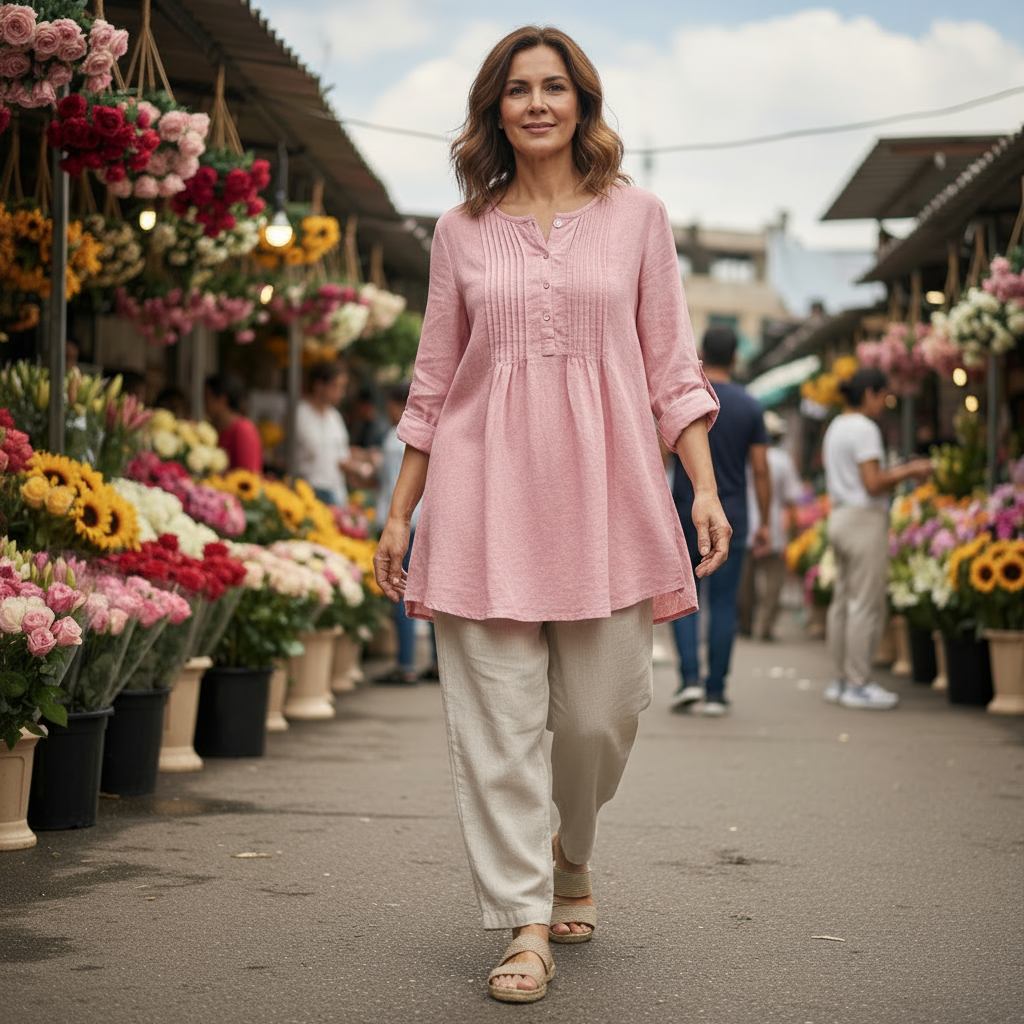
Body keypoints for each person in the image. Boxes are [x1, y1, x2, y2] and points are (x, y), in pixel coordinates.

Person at [371, 26, 731, 1004]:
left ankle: (573, 846)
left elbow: (671, 364)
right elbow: (435, 379)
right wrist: (400, 513)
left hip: (609, 498)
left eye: (553, 86)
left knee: (603, 714)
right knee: (494, 723)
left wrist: (700, 483)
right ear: (494, 109)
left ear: (582, 102)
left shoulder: (639, 216)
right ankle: (523, 921)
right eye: (517, 89)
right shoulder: (460, 231)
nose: (536, 103)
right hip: (481, 497)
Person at [669, 326, 770, 716]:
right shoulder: (749, 405)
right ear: (735, 358)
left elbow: (663, 456)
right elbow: (760, 470)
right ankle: (715, 692)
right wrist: (765, 520)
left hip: (684, 509)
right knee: (725, 603)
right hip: (733, 516)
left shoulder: (687, 401)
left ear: (702, 355)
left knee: (687, 599)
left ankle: (689, 681)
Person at [822, 368, 931, 710]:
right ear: (869, 392)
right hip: (863, 518)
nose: (885, 403)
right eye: (883, 395)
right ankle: (858, 682)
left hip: (839, 516)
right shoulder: (865, 429)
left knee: (843, 602)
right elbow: (873, 483)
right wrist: (910, 470)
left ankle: (842, 679)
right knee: (864, 605)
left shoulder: (837, 425)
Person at [373, 382, 436, 685]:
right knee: (432, 590)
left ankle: (406, 663)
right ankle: (436, 662)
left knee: (400, 588)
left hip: (404, 522)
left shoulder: (399, 435)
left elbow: (388, 484)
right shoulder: (430, 429)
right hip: (426, 518)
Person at [737, 410, 803, 641]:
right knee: (774, 582)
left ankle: (745, 623)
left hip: (745, 525)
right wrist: (793, 533)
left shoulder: (744, 457)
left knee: (745, 581)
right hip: (772, 527)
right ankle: (764, 626)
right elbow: (792, 499)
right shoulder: (783, 460)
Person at [294, 361, 358, 507]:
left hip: (335, 492)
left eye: (342, 388)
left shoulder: (334, 417)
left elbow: (342, 456)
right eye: (336, 386)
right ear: (319, 385)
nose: (341, 393)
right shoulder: (300, 414)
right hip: (308, 490)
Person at [204, 373, 263, 473]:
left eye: (207, 397)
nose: (205, 403)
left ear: (222, 399)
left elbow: (248, 474)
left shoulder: (243, 430)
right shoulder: (212, 426)